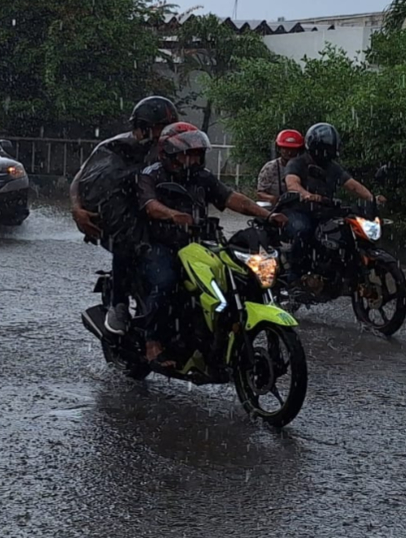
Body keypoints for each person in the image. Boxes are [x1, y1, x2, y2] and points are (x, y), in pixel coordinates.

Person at [137, 122, 286, 364]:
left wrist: (267, 215)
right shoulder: (151, 174)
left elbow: (232, 199)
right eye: (190, 153)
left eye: (198, 153)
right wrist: (173, 215)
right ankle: (152, 343)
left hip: (198, 244)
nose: (195, 158)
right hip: (159, 244)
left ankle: (215, 337)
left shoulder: (202, 177)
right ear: (172, 153)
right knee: (165, 283)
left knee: (235, 275)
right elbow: (150, 205)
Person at [71, 95, 179, 335]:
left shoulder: (172, 150)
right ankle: (119, 305)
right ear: (142, 128)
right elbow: (80, 178)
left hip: (159, 217)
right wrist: (77, 209)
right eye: (160, 128)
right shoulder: (115, 148)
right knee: (126, 244)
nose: (164, 134)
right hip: (122, 222)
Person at [281, 122, 384, 277]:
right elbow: (292, 183)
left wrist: (371, 198)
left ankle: (337, 270)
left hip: (324, 211)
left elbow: (352, 185)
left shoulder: (332, 167)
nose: (326, 154)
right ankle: (295, 278)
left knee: (345, 230)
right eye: (324, 149)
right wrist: (305, 194)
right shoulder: (297, 163)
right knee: (303, 231)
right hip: (298, 211)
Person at [256, 128, 305, 203]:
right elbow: (260, 193)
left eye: (293, 149)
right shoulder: (269, 168)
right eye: (285, 148)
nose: (289, 153)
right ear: (279, 149)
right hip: (276, 210)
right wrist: (275, 199)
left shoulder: (305, 167)